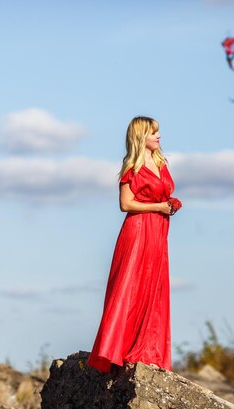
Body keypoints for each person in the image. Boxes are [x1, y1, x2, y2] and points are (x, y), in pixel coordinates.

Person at [87, 116, 181, 374]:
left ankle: (146, 350)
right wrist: (158, 206)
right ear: (141, 137)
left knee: (153, 287)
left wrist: (169, 203)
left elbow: (159, 194)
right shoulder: (132, 167)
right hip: (138, 231)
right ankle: (117, 348)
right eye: (154, 133)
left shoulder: (161, 163)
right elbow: (125, 204)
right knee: (130, 286)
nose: (159, 136)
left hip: (158, 232)